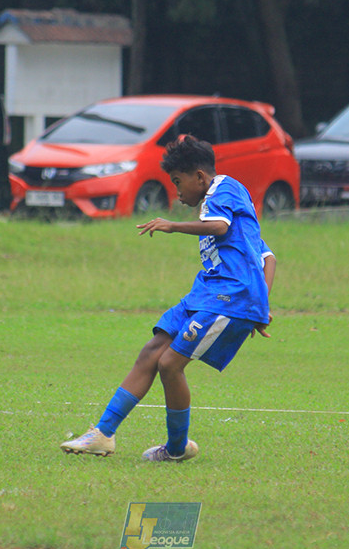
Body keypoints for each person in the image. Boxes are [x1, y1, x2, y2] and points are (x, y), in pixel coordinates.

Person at [60, 134, 276, 462]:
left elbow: (218, 227)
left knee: (170, 365)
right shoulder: (227, 203)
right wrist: (263, 303)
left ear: (200, 177)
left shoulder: (223, 190)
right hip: (205, 294)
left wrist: (172, 226)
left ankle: (176, 449)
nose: (176, 192)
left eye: (178, 182)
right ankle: (102, 434)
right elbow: (267, 257)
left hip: (228, 297)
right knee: (151, 353)